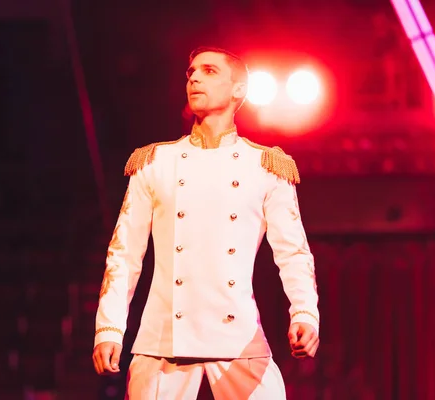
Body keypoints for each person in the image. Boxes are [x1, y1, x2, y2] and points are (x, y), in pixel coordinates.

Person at [92, 46, 320, 399]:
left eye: (209, 71)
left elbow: (293, 254)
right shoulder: (154, 162)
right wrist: (109, 328)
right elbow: (124, 255)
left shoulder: (266, 167)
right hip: (162, 340)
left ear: (238, 89)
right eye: (191, 72)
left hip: (238, 337)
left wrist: (304, 313)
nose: (195, 77)